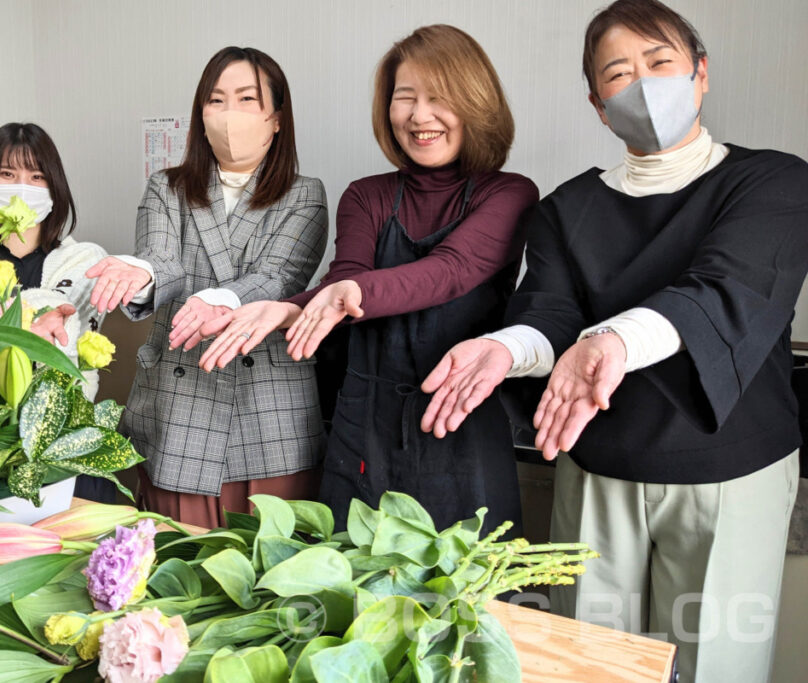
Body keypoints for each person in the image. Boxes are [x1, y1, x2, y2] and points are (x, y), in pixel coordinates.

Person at [420, 2, 807, 681]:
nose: (642, 87)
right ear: (599, 105)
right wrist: (506, 348)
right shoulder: (566, 208)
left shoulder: (773, 182)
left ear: (701, 72)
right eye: (618, 75)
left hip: (730, 470)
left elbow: (726, 288)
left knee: (720, 658)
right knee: (588, 662)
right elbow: (548, 314)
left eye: (660, 64)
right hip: (599, 469)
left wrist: (612, 343)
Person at [197, 25, 538, 533]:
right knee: (347, 595)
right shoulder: (366, 195)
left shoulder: (510, 194)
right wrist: (292, 308)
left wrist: (343, 295)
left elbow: (449, 271)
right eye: (405, 98)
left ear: (476, 102)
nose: (420, 116)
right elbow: (347, 278)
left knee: (465, 599)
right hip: (364, 424)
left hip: (459, 421)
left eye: (439, 97)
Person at [84, 47, 328, 528]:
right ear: (201, 114)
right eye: (216, 101)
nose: (229, 115)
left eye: (246, 99)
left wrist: (219, 298)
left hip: (269, 406)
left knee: (272, 573)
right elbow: (162, 259)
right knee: (176, 568)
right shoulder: (166, 187)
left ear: (276, 118)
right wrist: (143, 273)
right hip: (181, 401)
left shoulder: (305, 193)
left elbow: (281, 276)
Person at [0, 122, 112, 499]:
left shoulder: (83, 260)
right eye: (7, 174)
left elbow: (70, 329)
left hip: (61, 440)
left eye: (36, 175)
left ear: (55, 186)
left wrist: (15, 328)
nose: (21, 187)